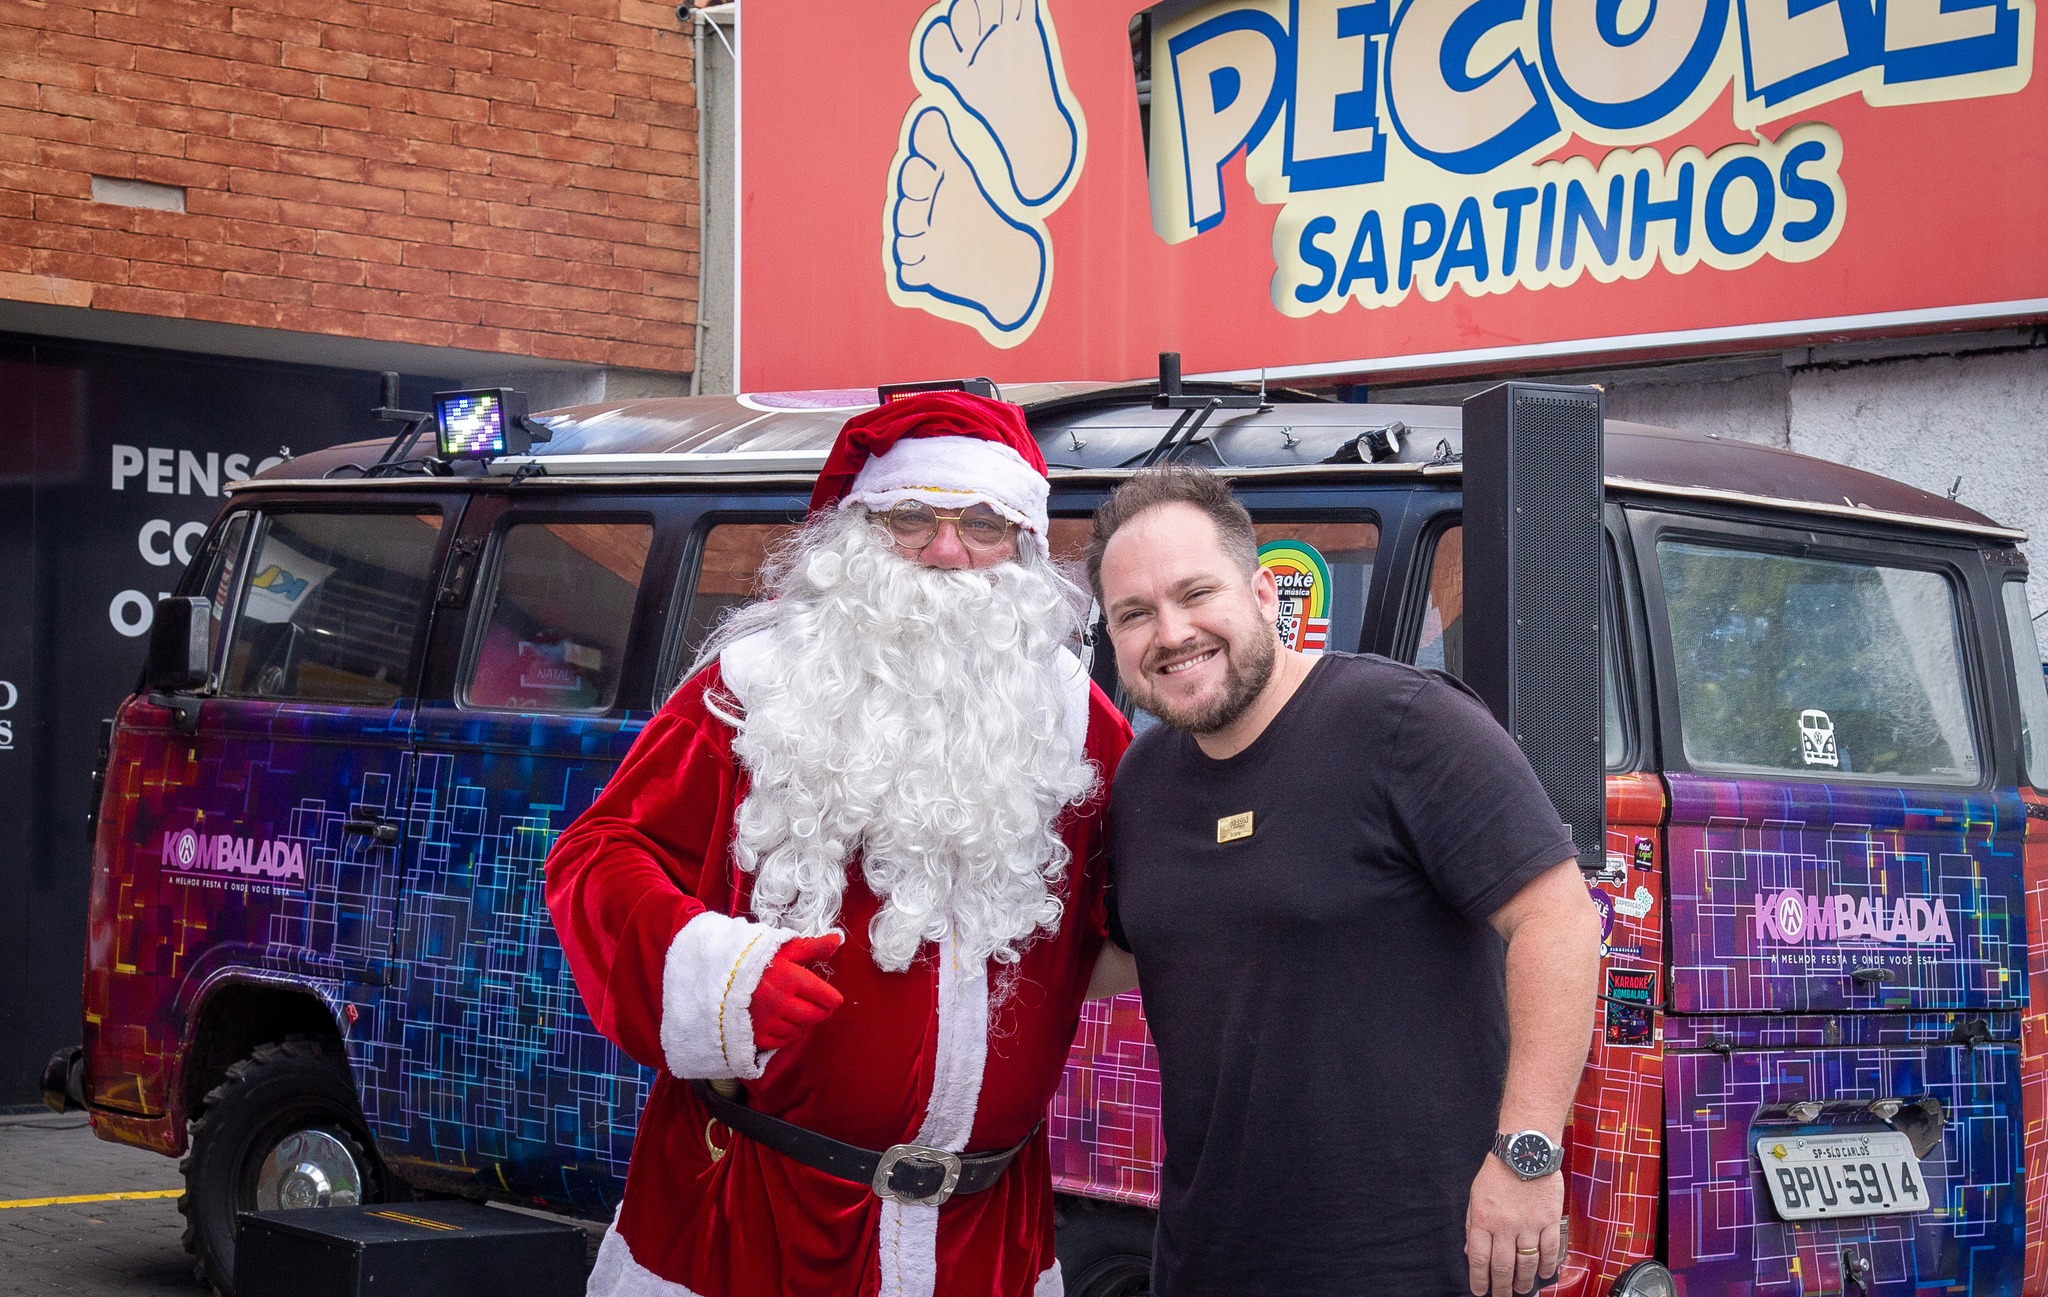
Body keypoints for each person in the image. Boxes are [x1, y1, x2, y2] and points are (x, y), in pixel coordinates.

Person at [545, 392, 1132, 1297]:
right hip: (752, 1218)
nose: (946, 550)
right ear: (858, 532)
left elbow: (1144, 890)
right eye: (912, 517)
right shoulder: (751, 686)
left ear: (1021, 545)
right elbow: (597, 856)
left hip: (982, 1240)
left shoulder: (1070, 717)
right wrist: (720, 975)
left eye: (982, 523)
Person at [1083, 466, 1601, 1297]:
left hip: (1413, 1263)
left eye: (1195, 593)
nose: (1171, 632)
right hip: (1210, 1262)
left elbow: (1559, 920)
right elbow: (1126, 954)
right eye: (1134, 613)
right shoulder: (1142, 782)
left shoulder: (1406, 723)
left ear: (1262, 592)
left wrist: (1527, 1154)